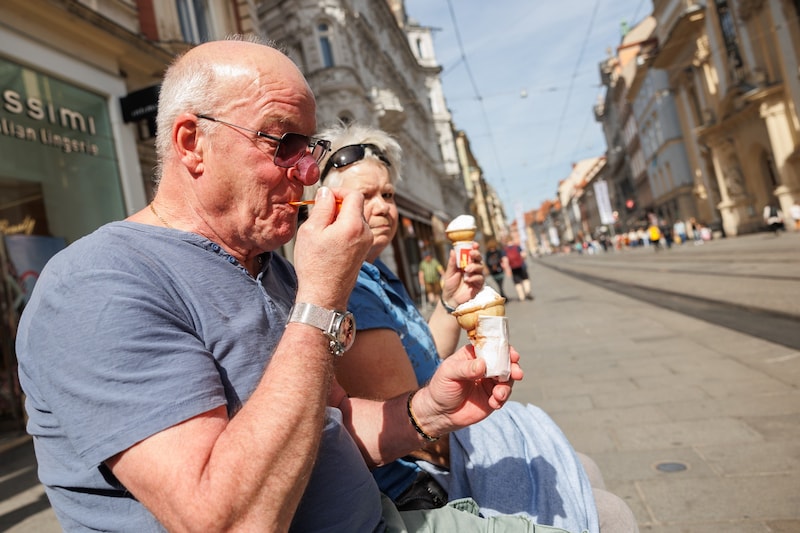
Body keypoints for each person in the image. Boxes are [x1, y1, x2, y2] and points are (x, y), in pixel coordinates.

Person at [15, 36, 553, 532]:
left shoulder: (269, 267)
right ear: (191, 142)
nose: (309, 172)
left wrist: (427, 411)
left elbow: (330, 426)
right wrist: (320, 300)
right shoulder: (97, 286)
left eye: (310, 148)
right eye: (283, 142)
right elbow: (225, 519)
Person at [317, 121, 638, 533]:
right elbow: (413, 425)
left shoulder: (377, 273)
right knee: (607, 511)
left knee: (583, 472)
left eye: (389, 194)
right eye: (367, 195)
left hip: (439, 450)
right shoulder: (353, 285)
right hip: (417, 482)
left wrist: (452, 300)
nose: (384, 207)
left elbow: (422, 355)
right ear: (329, 202)